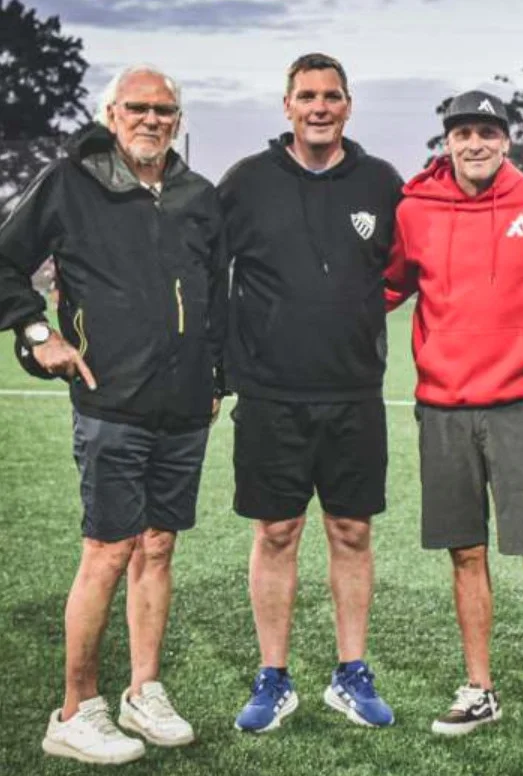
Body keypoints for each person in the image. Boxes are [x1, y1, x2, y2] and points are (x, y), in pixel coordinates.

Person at [0, 65, 225, 764]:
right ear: (111, 112)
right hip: (111, 401)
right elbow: (5, 262)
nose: (152, 119)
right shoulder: (71, 181)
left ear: (178, 120)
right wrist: (39, 336)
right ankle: (75, 711)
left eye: (164, 109)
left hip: (186, 406)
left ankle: (143, 691)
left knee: (159, 547)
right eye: (138, 108)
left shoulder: (198, 195)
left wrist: (218, 375)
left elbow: (218, 291)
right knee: (108, 550)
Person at [385, 90, 523, 742]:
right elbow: (382, 287)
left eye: (487, 132)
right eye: (463, 133)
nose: (475, 143)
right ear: (447, 141)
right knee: (464, 554)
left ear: (506, 140)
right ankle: (479, 689)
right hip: (443, 409)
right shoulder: (414, 209)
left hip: (520, 409)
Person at [218, 53, 402, 733]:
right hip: (270, 394)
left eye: (331, 96)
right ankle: (274, 676)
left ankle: (351, 674)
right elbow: (209, 268)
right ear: (287, 105)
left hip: (354, 391)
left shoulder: (382, 181)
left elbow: (418, 253)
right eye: (306, 96)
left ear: (349, 105)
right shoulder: (246, 182)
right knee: (276, 531)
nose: (319, 107)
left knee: (352, 531)